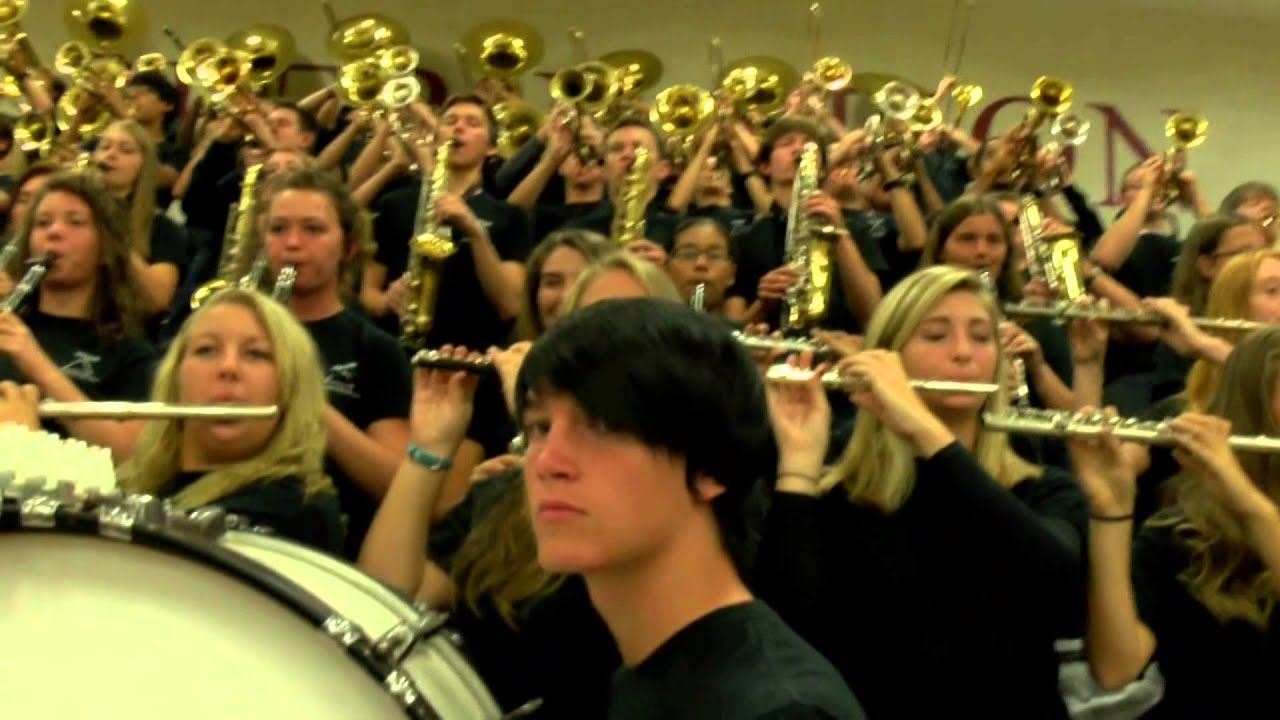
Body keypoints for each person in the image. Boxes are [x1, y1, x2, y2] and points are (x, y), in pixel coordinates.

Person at [756, 265, 1088, 719]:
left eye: (981, 336)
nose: (963, 353)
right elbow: (787, 631)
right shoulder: (840, 496)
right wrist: (797, 464)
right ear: (888, 359)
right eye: (935, 336)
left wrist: (923, 427)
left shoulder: (1042, 489)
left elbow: (1060, 592)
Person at [358, 254, 682, 718]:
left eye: (627, 326)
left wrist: (538, 419)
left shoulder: (684, 487)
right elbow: (383, 597)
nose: (603, 348)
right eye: (585, 326)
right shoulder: (503, 490)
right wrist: (430, 447)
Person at [514, 298, 864, 719]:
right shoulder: (637, 669)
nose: (547, 462)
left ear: (711, 466)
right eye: (540, 428)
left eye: (601, 425)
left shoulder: (778, 709)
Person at [1072, 327, 1280, 718]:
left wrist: (1254, 509)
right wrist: (1112, 510)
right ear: (1253, 410)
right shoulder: (1178, 536)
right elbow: (1117, 670)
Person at [117, 288, 344, 553]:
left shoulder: (299, 510)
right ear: (176, 379)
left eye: (256, 354)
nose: (228, 367)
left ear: (289, 391)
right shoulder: (130, 489)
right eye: (207, 350)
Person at [260, 168, 412, 558]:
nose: (292, 244)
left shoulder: (374, 348)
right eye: (278, 229)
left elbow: (396, 483)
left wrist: (308, 399)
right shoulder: (239, 333)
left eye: (313, 229)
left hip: (328, 546)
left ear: (348, 247)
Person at [0, 171, 155, 460]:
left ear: (105, 250)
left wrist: (34, 362)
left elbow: (130, 455)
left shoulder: (131, 357)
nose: (54, 232)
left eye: (75, 222)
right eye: (42, 223)